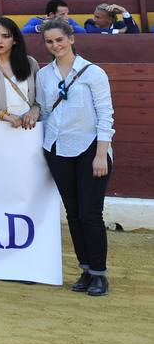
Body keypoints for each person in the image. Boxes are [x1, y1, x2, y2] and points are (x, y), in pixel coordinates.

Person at [37, 19, 115, 296]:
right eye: (49, 42)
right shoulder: (44, 75)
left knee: (90, 213)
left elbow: (106, 114)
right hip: (57, 149)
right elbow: (45, 113)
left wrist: (101, 154)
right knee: (73, 213)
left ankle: (99, 273)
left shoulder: (93, 72)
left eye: (59, 39)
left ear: (71, 39)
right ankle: (85, 268)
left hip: (91, 149)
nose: (55, 45)